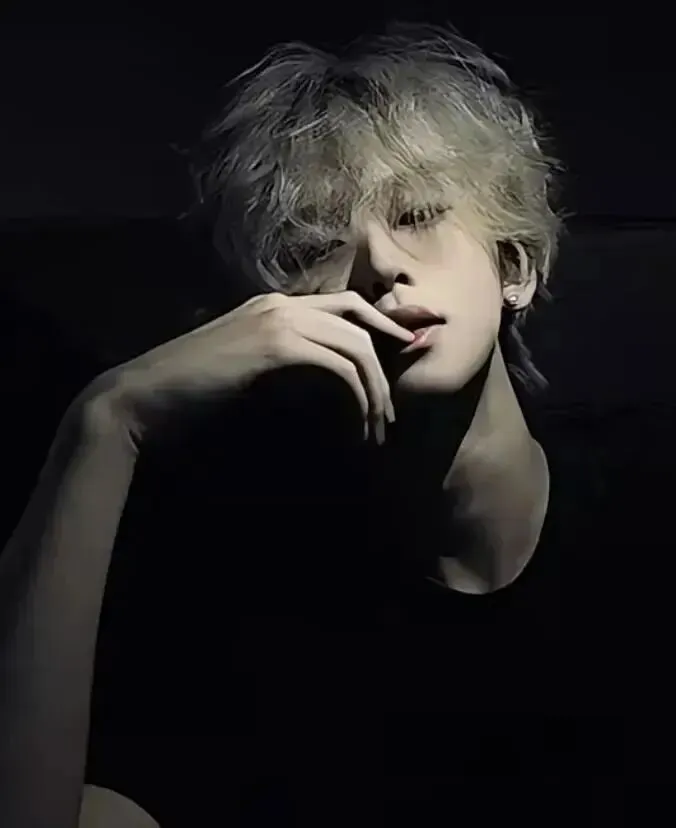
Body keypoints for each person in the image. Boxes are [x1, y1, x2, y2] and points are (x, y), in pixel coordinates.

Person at [0, 22, 570, 827]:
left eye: (417, 212)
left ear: (516, 267)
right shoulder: (242, 578)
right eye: (316, 245)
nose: (381, 265)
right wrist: (105, 418)